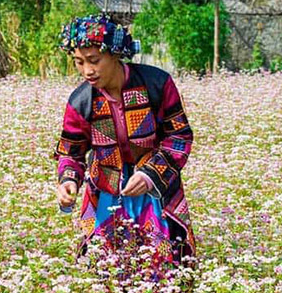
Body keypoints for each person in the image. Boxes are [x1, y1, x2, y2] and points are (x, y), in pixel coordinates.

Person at [54, 15, 195, 272]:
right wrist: (68, 181)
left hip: (156, 190)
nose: (87, 70)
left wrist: (150, 174)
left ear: (116, 55)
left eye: (94, 61)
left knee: (164, 266)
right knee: (105, 269)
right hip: (107, 190)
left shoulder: (157, 84)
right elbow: (71, 153)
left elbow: (179, 136)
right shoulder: (80, 102)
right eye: (79, 62)